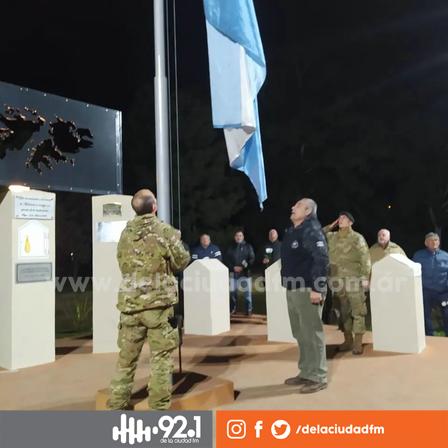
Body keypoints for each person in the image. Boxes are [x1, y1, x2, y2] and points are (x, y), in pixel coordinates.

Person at [107, 189, 190, 410]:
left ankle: (116, 405)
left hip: (130, 305)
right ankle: (158, 409)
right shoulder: (164, 231)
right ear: (154, 207)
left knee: (126, 360)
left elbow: (121, 262)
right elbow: (181, 261)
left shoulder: (126, 233)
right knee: (161, 359)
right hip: (158, 307)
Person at [281, 198, 329, 393]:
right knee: (300, 333)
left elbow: (321, 259)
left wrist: (317, 288)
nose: (293, 207)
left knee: (312, 333)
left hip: (308, 289)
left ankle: (319, 376)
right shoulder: (293, 231)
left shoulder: (312, 230)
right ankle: (307, 372)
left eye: (298, 205)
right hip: (293, 288)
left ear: (308, 211)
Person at [324, 211, 371, 354]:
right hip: (337, 280)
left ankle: (357, 343)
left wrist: (365, 277)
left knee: (358, 311)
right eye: (339, 218)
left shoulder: (357, 238)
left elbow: (365, 257)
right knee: (342, 312)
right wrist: (330, 226)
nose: (340, 219)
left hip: (353, 279)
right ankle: (348, 340)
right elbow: (318, 235)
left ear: (351, 222)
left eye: (344, 218)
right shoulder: (332, 236)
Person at [412, 232, 448, 336]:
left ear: (439, 242)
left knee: (446, 314)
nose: (434, 242)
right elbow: (413, 271)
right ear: (426, 243)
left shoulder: (446, 256)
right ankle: (429, 335)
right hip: (426, 291)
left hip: (443, 292)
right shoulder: (418, 255)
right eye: (431, 240)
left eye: (436, 240)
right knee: (425, 315)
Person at [225, 230, 255, 315]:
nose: (238, 237)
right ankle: (233, 309)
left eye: (240, 235)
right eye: (237, 236)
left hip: (245, 273)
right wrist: (233, 267)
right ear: (235, 237)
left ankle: (248, 310)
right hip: (233, 273)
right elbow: (227, 259)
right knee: (232, 293)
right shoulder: (230, 247)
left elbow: (252, 259)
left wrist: (243, 267)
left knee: (247, 294)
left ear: (243, 237)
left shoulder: (248, 247)